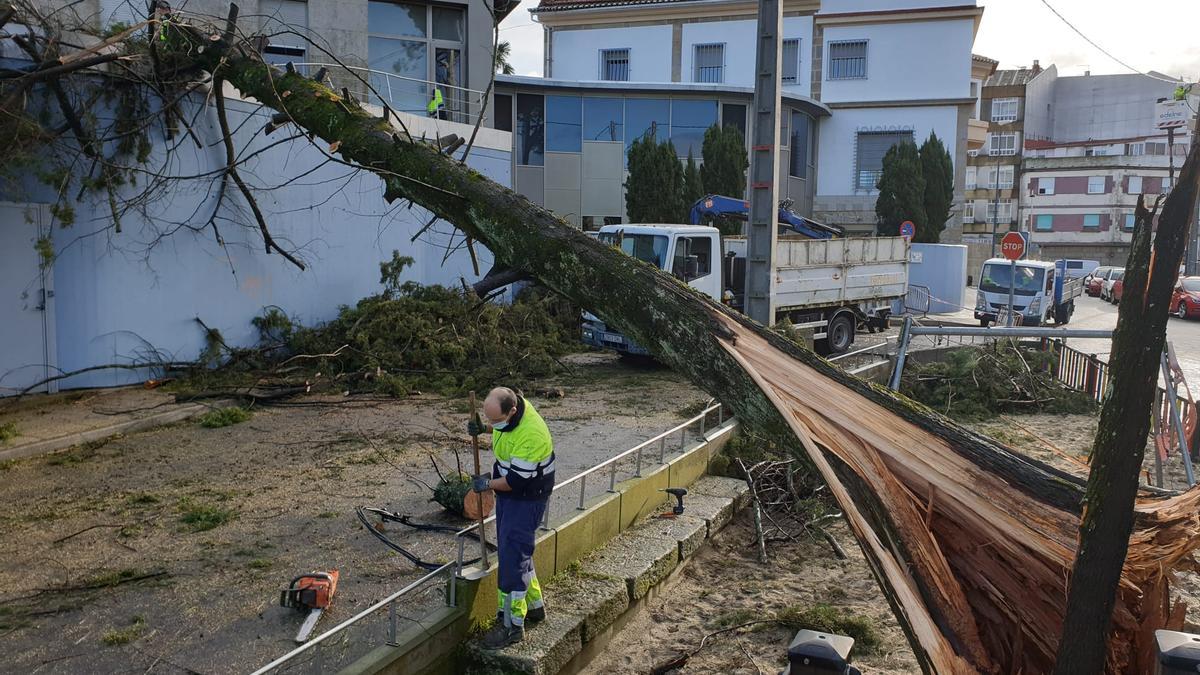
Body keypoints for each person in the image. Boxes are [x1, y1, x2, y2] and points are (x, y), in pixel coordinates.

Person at [468, 387, 556, 649]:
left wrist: (486, 485)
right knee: (516, 551)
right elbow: (503, 430)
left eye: (496, 420)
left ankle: (511, 625)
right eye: (490, 420)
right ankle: (536, 607)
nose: (494, 425)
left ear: (512, 411)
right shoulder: (511, 413)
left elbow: (515, 481)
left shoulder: (532, 435)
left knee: (511, 559)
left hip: (526, 496)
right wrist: (483, 428)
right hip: (512, 492)